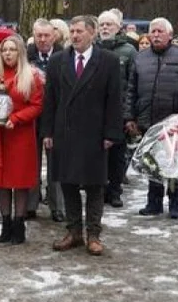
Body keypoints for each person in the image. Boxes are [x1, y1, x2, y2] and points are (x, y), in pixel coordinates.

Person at [40, 14, 124, 256]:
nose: (74, 36)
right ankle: (74, 231)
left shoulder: (108, 61)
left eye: (79, 31)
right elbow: (50, 101)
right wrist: (47, 131)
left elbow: (113, 101)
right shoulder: (57, 61)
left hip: (94, 133)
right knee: (67, 183)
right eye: (72, 31)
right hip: (64, 131)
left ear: (92, 33)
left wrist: (111, 133)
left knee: (95, 185)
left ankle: (94, 234)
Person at [124, 18, 178, 219]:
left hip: (175, 122)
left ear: (170, 34)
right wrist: (129, 116)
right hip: (148, 120)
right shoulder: (140, 58)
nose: (155, 35)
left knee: (176, 164)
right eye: (152, 31)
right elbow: (131, 89)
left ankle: (175, 202)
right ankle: (154, 202)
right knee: (153, 164)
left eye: (160, 31)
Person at [0, 34, 43, 245]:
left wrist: (16, 119)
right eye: (4, 49)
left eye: (12, 49)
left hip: (20, 136)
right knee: (1, 182)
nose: (7, 53)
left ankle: (19, 224)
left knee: (19, 181)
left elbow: (36, 106)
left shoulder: (31, 76)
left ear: (20, 52)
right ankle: (5, 224)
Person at [96, 8, 137, 208]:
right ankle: (99, 188)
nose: (105, 28)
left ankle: (115, 191)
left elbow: (133, 83)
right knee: (97, 153)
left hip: (118, 111)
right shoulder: (92, 48)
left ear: (118, 27)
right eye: (102, 24)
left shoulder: (129, 51)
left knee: (117, 154)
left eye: (109, 24)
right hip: (95, 111)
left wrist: (129, 112)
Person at [26, 18, 64, 222]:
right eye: (38, 35)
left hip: (56, 117)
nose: (42, 39)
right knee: (31, 162)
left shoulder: (64, 55)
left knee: (55, 164)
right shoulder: (26, 55)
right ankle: (30, 205)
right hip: (31, 117)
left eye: (46, 35)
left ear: (54, 36)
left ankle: (57, 207)